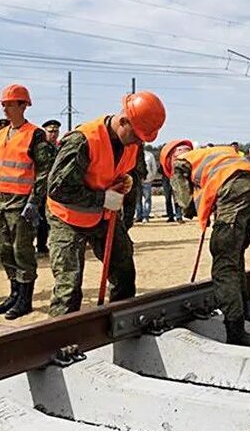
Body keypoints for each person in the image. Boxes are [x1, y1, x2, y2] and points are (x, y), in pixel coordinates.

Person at [45, 92, 166, 316]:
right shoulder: (82, 140)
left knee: (124, 272)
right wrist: (103, 198)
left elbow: (131, 173)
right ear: (123, 121)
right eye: (138, 135)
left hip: (103, 216)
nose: (140, 141)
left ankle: (120, 325)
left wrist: (125, 180)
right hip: (68, 216)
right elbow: (58, 188)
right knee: (69, 288)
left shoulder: (132, 142)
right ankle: (58, 345)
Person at [162, 139, 250, 344]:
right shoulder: (214, 153)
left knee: (224, 264)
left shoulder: (181, 162)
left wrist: (190, 208)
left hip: (234, 191)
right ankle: (243, 312)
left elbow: (185, 204)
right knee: (235, 257)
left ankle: (235, 331)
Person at [0, 84, 54, 319]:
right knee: (5, 251)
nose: (5, 109)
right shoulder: (1, 133)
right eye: (3, 104)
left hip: (21, 204)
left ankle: (25, 299)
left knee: (22, 251)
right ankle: (14, 294)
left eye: (9, 104)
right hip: (0, 202)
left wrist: (34, 202)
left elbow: (44, 171)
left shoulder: (34, 134)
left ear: (23, 105)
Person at [36, 119, 62, 254]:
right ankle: (40, 245)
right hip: (40, 189)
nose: (53, 134)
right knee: (39, 219)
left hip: (53, 190)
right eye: (50, 131)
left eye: (56, 131)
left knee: (49, 219)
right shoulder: (41, 147)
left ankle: (43, 244)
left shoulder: (58, 148)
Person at [136, 147, 158, 223]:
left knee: (147, 199)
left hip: (148, 181)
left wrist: (151, 178)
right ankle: (139, 216)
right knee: (137, 200)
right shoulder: (135, 154)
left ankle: (146, 216)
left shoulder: (150, 155)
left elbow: (154, 168)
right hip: (138, 181)